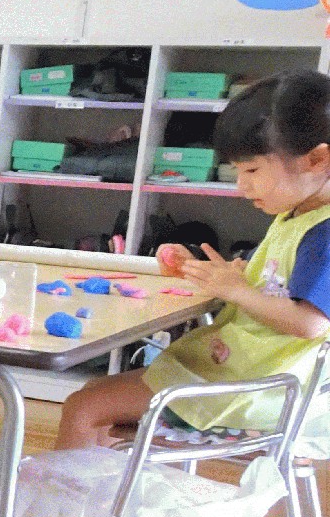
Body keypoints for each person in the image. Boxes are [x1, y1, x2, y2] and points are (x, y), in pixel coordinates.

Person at [59, 72, 330, 446]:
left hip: (257, 391)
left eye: (252, 170)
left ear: (317, 159)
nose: (241, 185)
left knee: (84, 407)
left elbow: (311, 324)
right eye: (237, 171)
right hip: (246, 374)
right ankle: (102, 501)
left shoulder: (325, 233)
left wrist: (236, 290)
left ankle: (61, 504)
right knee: (96, 396)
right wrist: (209, 273)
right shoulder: (297, 214)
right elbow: (276, 288)